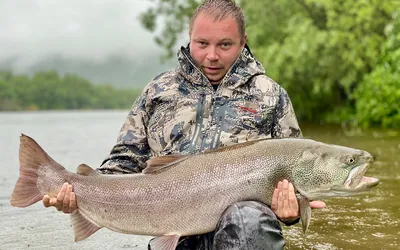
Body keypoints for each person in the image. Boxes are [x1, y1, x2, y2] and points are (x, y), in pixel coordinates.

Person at [43, 0, 325, 249]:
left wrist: (293, 213)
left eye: (224, 45)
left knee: (247, 220)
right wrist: (79, 195)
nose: (212, 56)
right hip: (174, 237)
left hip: (245, 236)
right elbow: (122, 163)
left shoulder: (271, 95)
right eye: (202, 44)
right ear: (190, 38)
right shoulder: (158, 91)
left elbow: (293, 173)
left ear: (243, 41)